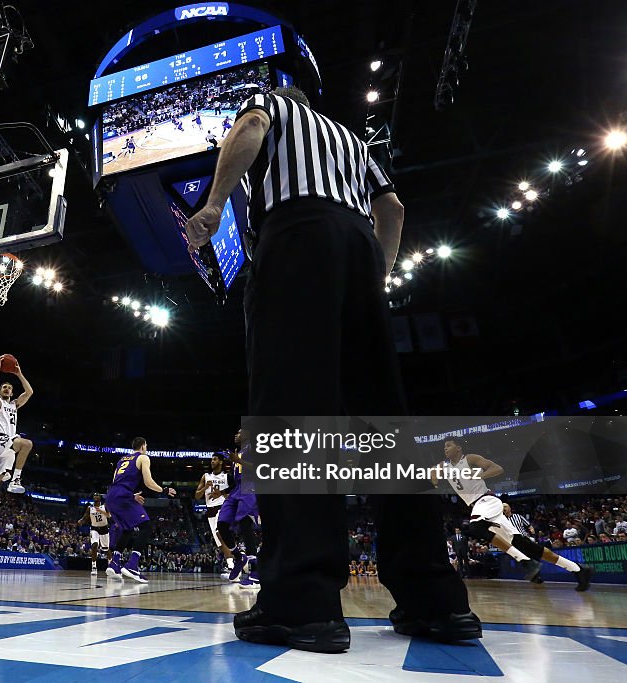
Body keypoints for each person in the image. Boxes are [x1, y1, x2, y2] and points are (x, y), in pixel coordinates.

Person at [186, 86, 475, 653]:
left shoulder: (271, 100)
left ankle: (301, 603)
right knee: (386, 427)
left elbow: (248, 130)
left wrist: (215, 203)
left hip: (298, 236)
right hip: (360, 249)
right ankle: (435, 600)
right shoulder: (352, 139)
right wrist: (376, 278)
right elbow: (392, 209)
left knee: (293, 411)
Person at [434, 438, 592, 591]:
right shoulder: (444, 466)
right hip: (479, 507)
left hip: (486, 501)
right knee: (527, 546)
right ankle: (578, 569)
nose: (445, 448)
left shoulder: (469, 459)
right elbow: (432, 474)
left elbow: (497, 468)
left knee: (475, 527)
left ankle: (526, 562)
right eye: (444, 446)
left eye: (448, 445)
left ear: (459, 448)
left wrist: (478, 475)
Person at [104, 437, 176, 583]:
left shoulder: (122, 459)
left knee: (127, 529)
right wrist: (164, 490)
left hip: (111, 495)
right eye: (146, 446)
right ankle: (132, 565)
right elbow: (148, 482)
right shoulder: (143, 457)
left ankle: (115, 563)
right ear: (143, 447)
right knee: (146, 526)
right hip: (123, 494)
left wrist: (130, 495)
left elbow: (115, 482)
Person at [217, 431, 261, 588]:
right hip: (236, 489)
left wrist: (238, 461)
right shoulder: (238, 452)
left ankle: (255, 574)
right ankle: (238, 557)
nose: (236, 434)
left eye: (240, 432)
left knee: (244, 523)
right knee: (221, 524)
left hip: (250, 486)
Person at [0, 356, 34, 494]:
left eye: (9, 388)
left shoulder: (14, 404)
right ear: (0, 391)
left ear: (12, 393)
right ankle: (16, 479)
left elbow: (29, 392)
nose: (7, 389)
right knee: (27, 444)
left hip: (10, 446)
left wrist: (19, 374)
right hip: (1, 440)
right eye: (4, 387)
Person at [194, 452, 235, 576]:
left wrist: (221, 493)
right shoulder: (205, 476)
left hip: (223, 508)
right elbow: (197, 496)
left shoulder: (227, 477)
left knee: (220, 535)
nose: (212, 461)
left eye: (215, 459)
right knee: (219, 543)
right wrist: (205, 486)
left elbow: (234, 492)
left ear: (221, 461)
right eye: (211, 459)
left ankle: (233, 567)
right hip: (210, 511)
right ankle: (235, 561)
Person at [76, 493, 110, 575]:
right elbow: (85, 517)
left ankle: (110, 565)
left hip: (104, 528)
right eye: (94, 495)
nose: (95, 496)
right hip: (94, 528)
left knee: (106, 549)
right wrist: (81, 521)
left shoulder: (104, 506)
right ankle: (94, 567)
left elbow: (109, 516)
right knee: (94, 545)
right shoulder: (90, 508)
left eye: (97, 495)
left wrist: (101, 511)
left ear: (100, 497)